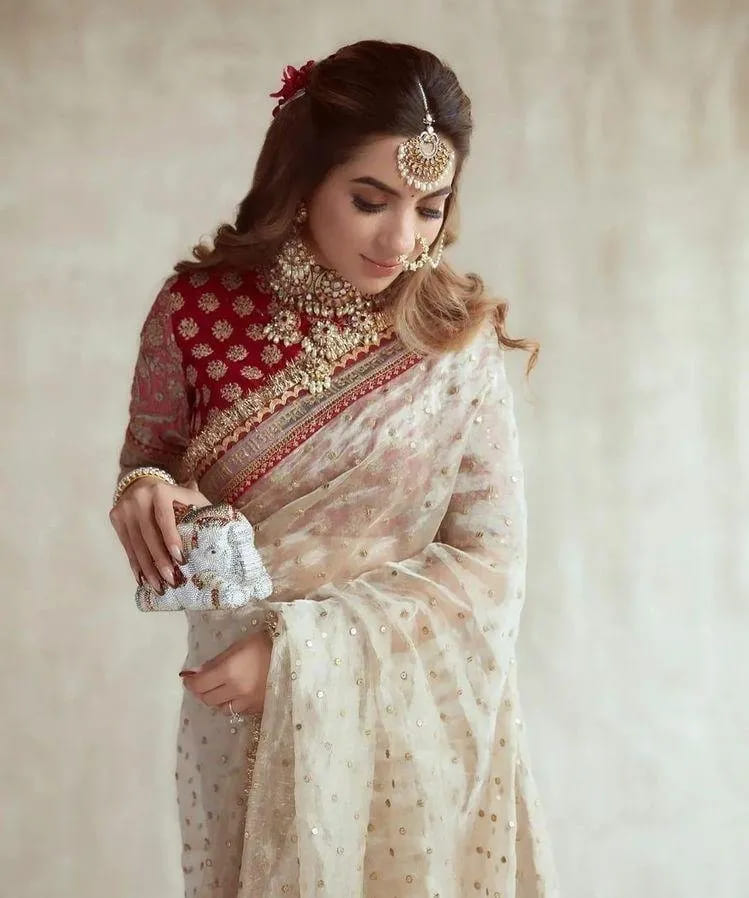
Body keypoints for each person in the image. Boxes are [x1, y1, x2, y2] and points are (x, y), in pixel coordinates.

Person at [109, 38, 560, 898]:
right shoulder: (196, 312)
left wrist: (295, 654)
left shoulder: (449, 335)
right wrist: (144, 492)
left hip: (406, 715)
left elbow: (489, 557)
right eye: (369, 200)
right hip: (235, 714)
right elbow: (152, 458)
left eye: (430, 208)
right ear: (303, 179)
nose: (402, 239)